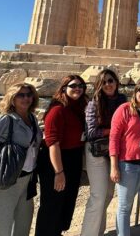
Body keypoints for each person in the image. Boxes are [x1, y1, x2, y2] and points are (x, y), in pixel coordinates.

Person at [0, 83, 42, 236]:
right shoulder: (1, 122)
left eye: (29, 94)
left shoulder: (32, 120)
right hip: (2, 183)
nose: (26, 98)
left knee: (21, 230)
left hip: (26, 183)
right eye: (21, 95)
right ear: (12, 98)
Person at [35, 75, 88, 236]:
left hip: (73, 157)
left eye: (81, 85)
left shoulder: (79, 107)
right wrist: (58, 172)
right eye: (73, 85)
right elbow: (53, 143)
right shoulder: (57, 110)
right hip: (56, 160)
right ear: (64, 88)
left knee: (66, 201)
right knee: (52, 204)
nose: (77, 88)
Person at [109, 79, 140, 236]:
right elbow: (114, 138)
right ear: (135, 91)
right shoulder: (124, 110)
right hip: (126, 164)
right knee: (124, 205)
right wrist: (114, 166)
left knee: (128, 202)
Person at [82, 69, 126, 236]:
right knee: (98, 196)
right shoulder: (94, 103)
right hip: (96, 151)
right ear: (99, 85)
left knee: (108, 194)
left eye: (111, 80)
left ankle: (98, 232)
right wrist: (113, 131)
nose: (108, 84)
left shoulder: (122, 100)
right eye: (104, 82)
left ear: (116, 82)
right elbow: (91, 132)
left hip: (114, 151)